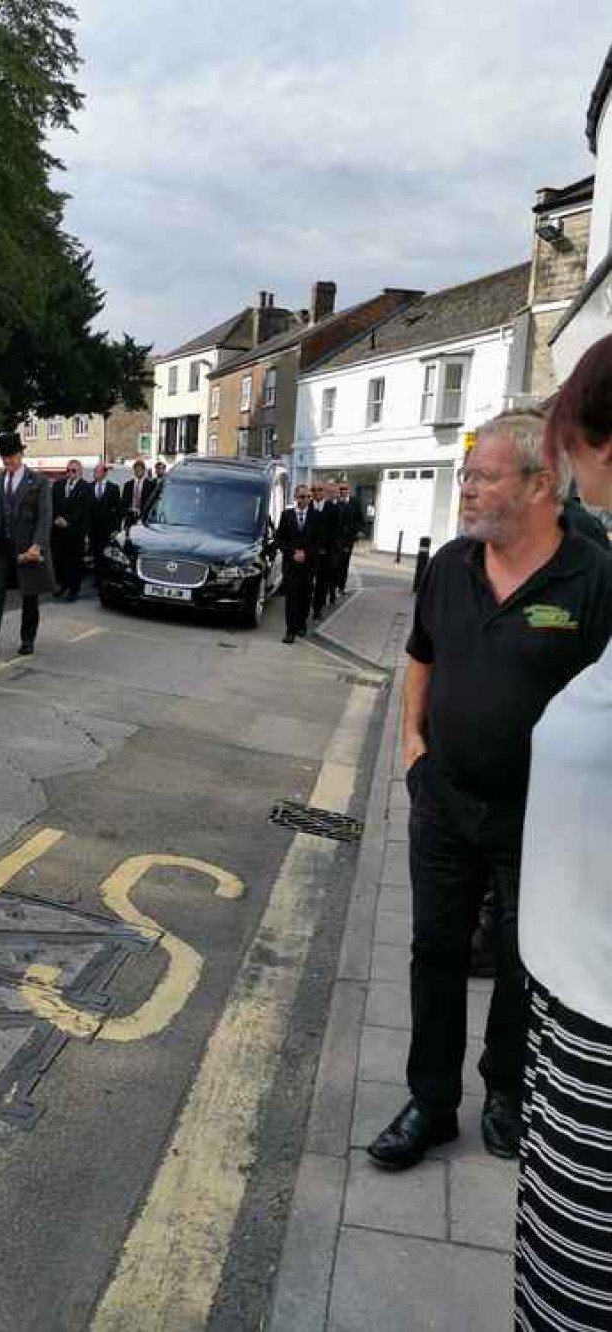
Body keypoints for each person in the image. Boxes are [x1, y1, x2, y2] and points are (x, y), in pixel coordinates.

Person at [367, 410, 612, 1172]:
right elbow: (422, 656)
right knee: (434, 949)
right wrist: (413, 746)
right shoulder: (449, 565)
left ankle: (507, 1092)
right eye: (465, 475)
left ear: (542, 485)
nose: (465, 489)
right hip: (444, 800)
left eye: (483, 476)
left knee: (520, 958)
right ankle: (431, 1102)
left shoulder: (594, 579)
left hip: (541, 820)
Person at [515, 335, 612, 1332]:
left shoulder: (592, 572)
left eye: (568, 452)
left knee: (572, 1302)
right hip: (573, 1005)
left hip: (602, 1022)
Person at [0, 432, 54, 657]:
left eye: (12, 456)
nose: (8, 461)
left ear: (21, 454)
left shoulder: (39, 482)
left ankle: (27, 640)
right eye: (4, 457)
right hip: (3, 547)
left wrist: (38, 545)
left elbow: (44, 516)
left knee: (29, 596)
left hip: (28, 548)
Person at [278, 484, 322, 644]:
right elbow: (280, 539)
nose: (306, 500)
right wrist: (292, 553)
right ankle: (290, 631)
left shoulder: (316, 516)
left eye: (309, 497)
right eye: (303, 497)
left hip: (309, 566)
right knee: (291, 599)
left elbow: (318, 541)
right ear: (296, 498)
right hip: (291, 566)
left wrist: (306, 553)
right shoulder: (286, 515)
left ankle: (302, 623)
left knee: (305, 597)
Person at [51, 458, 93, 602]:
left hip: (75, 531)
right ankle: (62, 584)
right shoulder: (58, 485)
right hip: (58, 531)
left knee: (74, 562)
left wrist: (67, 521)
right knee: (59, 560)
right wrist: (56, 518)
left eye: (73, 470)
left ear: (80, 472)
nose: (70, 473)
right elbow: (52, 504)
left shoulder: (86, 487)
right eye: (68, 470)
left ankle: (73, 590)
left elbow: (84, 510)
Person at [310, 481, 338, 619]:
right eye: (313, 489)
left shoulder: (332, 508)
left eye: (319, 489)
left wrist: (326, 548)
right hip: (308, 553)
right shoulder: (306, 506)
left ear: (324, 492)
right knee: (307, 581)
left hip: (325, 553)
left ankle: (317, 608)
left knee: (322, 583)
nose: (316, 492)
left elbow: (335, 532)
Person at [90, 461, 121, 579]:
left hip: (108, 529)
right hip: (93, 529)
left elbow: (118, 510)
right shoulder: (89, 486)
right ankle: (97, 577)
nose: (95, 473)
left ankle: (106, 577)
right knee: (96, 554)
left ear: (104, 473)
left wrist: (116, 529)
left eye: (97, 471)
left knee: (107, 553)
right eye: (95, 471)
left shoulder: (113, 488)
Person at [336, 481, 364, 593]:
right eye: (341, 489)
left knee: (344, 563)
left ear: (349, 490)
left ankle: (341, 587)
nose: (343, 491)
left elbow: (360, 518)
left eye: (345, 489)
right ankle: (332, 586)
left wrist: (358, 531)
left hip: (348, 539)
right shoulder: (335, 502)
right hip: (335, 539)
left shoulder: (355, 502)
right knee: (334, 563)